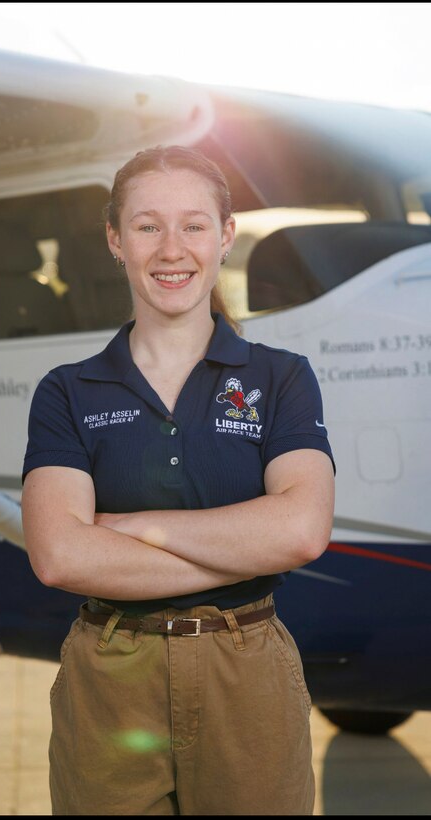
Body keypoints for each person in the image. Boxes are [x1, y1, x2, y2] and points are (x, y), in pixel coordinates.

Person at [21, 145, 335, 816]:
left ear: (224, 236)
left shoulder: (280, 378)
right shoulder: (66, 391)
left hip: (245, 673)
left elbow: (302, 532)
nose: (172, 249)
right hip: (110, 676)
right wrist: (246, 542)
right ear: (114, 239)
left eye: (194, 225)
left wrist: (131, 529)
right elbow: (59, 555)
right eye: (146, 225)